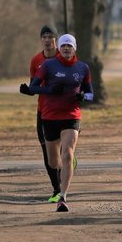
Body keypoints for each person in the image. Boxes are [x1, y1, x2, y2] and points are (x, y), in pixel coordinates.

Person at [26, 34, 92, 212]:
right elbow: (33, 87)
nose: (66, 49)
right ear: (59, 48)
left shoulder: (83, 68)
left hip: (71, 115)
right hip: (50, 116)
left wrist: (83, 96)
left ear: (74, 48)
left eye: (69, 46)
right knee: (54, 162)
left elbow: (91, 93)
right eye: (63, 46)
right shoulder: (48, 65)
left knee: (68, 155)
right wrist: (50, 90)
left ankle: (63, 196)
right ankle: (65, 164)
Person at [19, 25, 64, 203]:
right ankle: (56, 189)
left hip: (64, 111)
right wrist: (28, 91)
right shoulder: (36, 60)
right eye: (44, 36)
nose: (47, 40)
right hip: (43, 112)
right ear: (41, 40)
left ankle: (68, 155)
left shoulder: (64, 56)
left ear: (56, 40)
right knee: (47, 151)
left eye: (50, 36)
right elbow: (34, 86)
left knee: (62, 152)